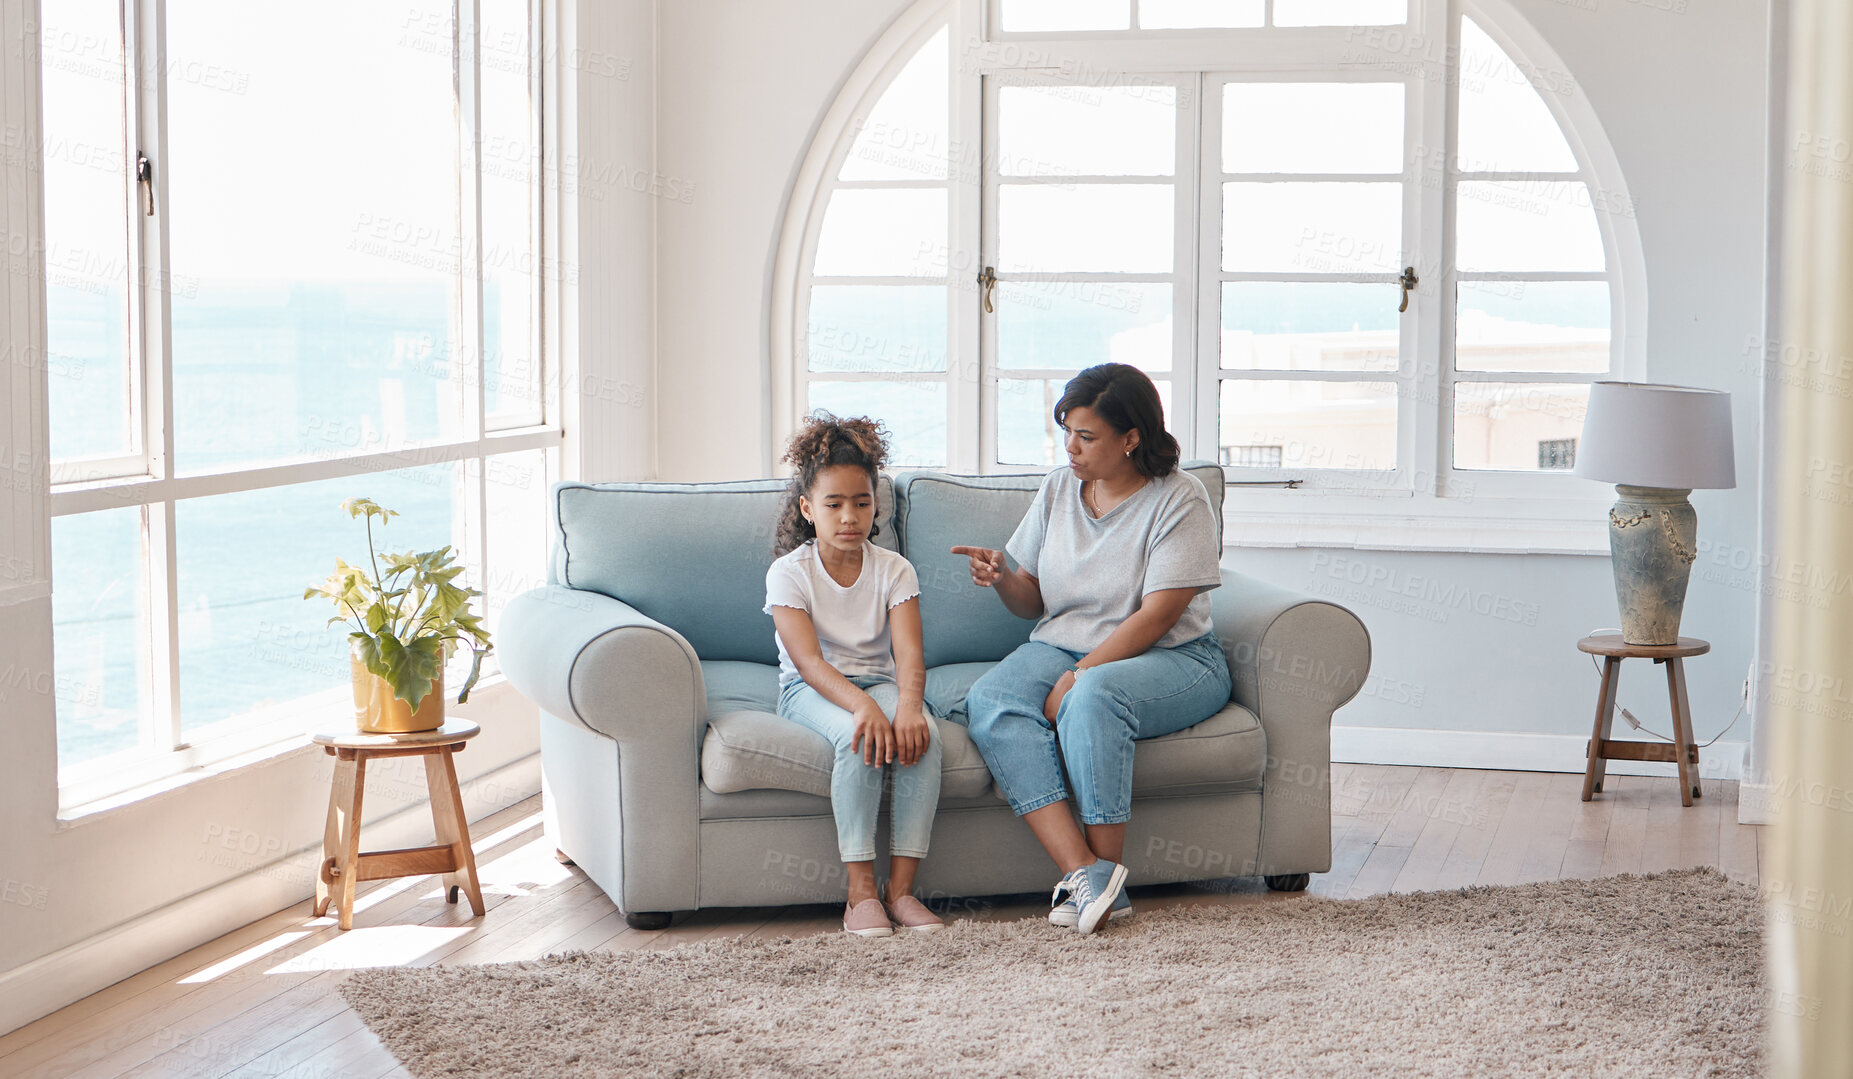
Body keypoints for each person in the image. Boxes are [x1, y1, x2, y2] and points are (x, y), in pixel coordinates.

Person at [953, 363, 1232, 935]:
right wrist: (1001, 576)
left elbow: (1157, 617)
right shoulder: (1059, 488)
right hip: (1061, 644)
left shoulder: (1180, 498)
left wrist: (1080, 674)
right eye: (1067, 433)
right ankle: (1089, 875)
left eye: (1087, 437)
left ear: (1131, 438)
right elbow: (1033, 603)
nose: (1071, 449)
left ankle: (1094, 882)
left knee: (1094, 696)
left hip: (1174, 658)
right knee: (991, 699)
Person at [766, 413, 945, 937]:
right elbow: (809, 663)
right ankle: (860, 893)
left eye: (862, 503)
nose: (850, 517)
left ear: (875, 506)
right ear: (807, 508)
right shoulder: (789, 573)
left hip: (879, 681)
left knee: (925, 737)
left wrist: (908, 708)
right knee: (857, 736)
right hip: (808, 690)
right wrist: (865, 708)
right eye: (834, 504)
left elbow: (909, 656)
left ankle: (902, 892)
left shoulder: (894, 569)